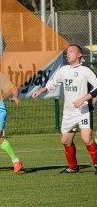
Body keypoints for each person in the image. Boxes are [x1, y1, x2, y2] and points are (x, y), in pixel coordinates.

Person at [32, 44, 97, 174]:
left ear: (79, 55)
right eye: (67, 52)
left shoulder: (85, 70)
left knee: (86, 137)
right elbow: (53, 82)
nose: (68, 54)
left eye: (71, 52)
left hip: (84, 111)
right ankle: (73, 167)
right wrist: (42, 90)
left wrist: (83, 99)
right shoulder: (64, 70)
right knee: (65, 140)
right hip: (69, 113)